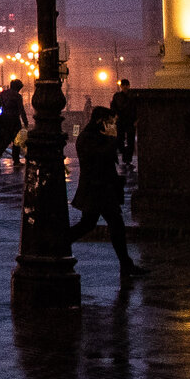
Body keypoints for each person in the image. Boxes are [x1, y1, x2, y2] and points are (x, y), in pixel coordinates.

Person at [70, 106, 145, 279]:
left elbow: (114, 154)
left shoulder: (97, 137)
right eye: (110, 122)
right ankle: (57, 247)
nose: (113, 125)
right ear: (100, 121)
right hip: (96, 189)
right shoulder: (87, 138)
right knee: (103, 225)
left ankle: (126, 264)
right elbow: (100, 157)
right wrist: (112, 139)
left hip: (102, 189)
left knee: (94, 225)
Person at [0, 79, 26, 167]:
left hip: (4, 120)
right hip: (14, 120)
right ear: (17, 87)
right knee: (16, 141)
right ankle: (16, 161)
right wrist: (25, 122)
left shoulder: (3, 94)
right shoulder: (17, 96)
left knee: (6, 139)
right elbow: (21, 110)